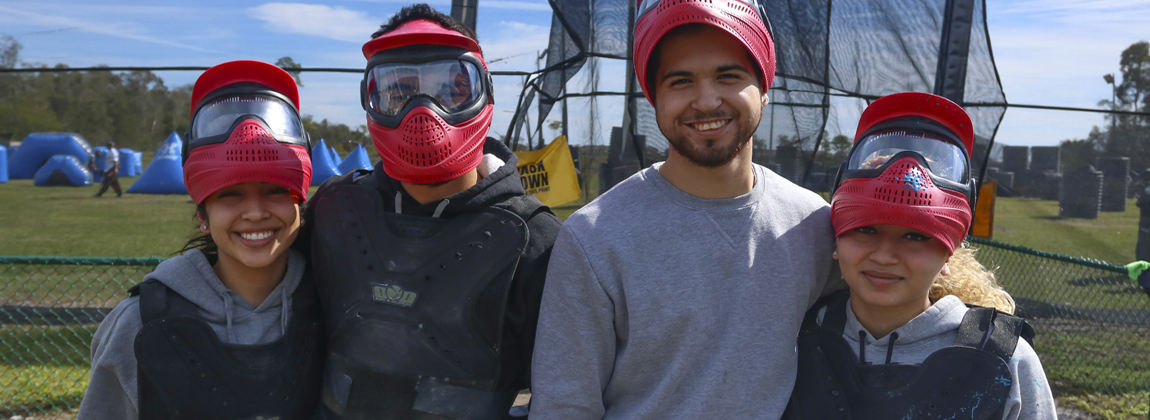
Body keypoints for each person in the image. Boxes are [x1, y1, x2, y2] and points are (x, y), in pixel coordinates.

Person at [529, 0, 842, 418]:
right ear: (653, 96)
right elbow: (565, 405)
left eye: (728, 76)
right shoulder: (594, 236)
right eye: (681, 82)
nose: (707, 101)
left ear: (765, 87)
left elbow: (884, 313)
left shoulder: (812, 223)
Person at [300, 4, 562, 419]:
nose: (423, 112)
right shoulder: (336, 209)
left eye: (449, 90)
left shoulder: (534, 241)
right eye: (399, 92)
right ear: (372, 101)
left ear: (484, 94)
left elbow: (565, 398)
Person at [784, 92, 1056, 419]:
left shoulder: (1004, 360)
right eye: (866, 230)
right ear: (836, 239)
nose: (884, 256)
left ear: (949, 255)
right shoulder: (796, 337)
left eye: (915, 236)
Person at [77, 60, 323, 420]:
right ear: (202, 217)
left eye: (275, 191)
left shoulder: (338, 305)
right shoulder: (140, 325)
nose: (255, 213)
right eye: (230, 195)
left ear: (301, 206)